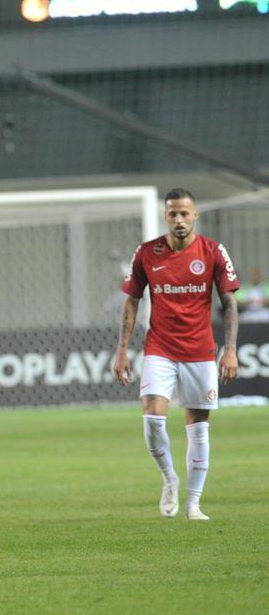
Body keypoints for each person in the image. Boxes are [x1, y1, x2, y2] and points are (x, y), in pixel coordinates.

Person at [113, 188, 240, 522]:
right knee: (153, 419)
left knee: (197, 428)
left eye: (185, 213)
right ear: (165, 216)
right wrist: (122, 349)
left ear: (195, 215)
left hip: (200, 351)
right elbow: (132, 300)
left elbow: (229, 303)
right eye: (173, 214)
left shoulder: (213, 251)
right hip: (161, 348)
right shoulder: (146, 253)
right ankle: (169, 478)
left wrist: (230, 350)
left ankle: (194, 503)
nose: (179, 219)